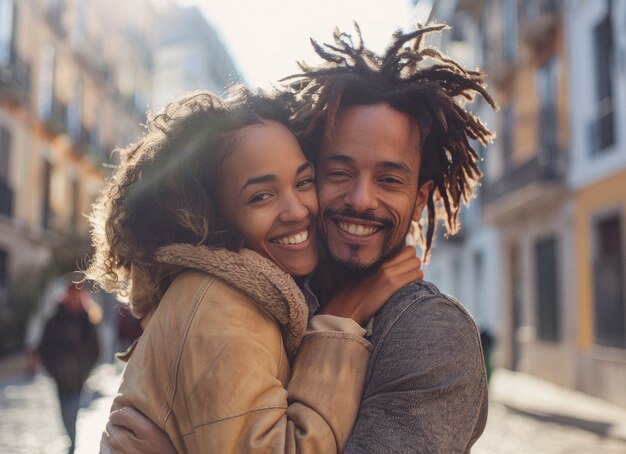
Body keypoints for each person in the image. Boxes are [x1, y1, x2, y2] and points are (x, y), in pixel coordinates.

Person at [103, 23, 496, 453]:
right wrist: (342, 314)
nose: (362, 199)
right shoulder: (261, 298)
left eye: (388, 179)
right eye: (339, 172)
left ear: (419, 200)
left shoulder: (430, 332)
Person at [87, 87, 422, 453]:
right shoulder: (216, 304)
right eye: (261, 196)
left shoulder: (258, 294)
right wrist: (341, 318)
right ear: (215, 215)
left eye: (303, 182)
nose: (296, 211)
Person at [38, 282, 101, 454]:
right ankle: (71, 440)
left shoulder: (88, 321)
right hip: (60, 375)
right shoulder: (54, 319)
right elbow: (44, 348)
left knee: (72, 411)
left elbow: (96, 349)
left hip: (78, 377)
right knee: (64, 412)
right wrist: (54, 369)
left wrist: (85, 369)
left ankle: (73, 444)